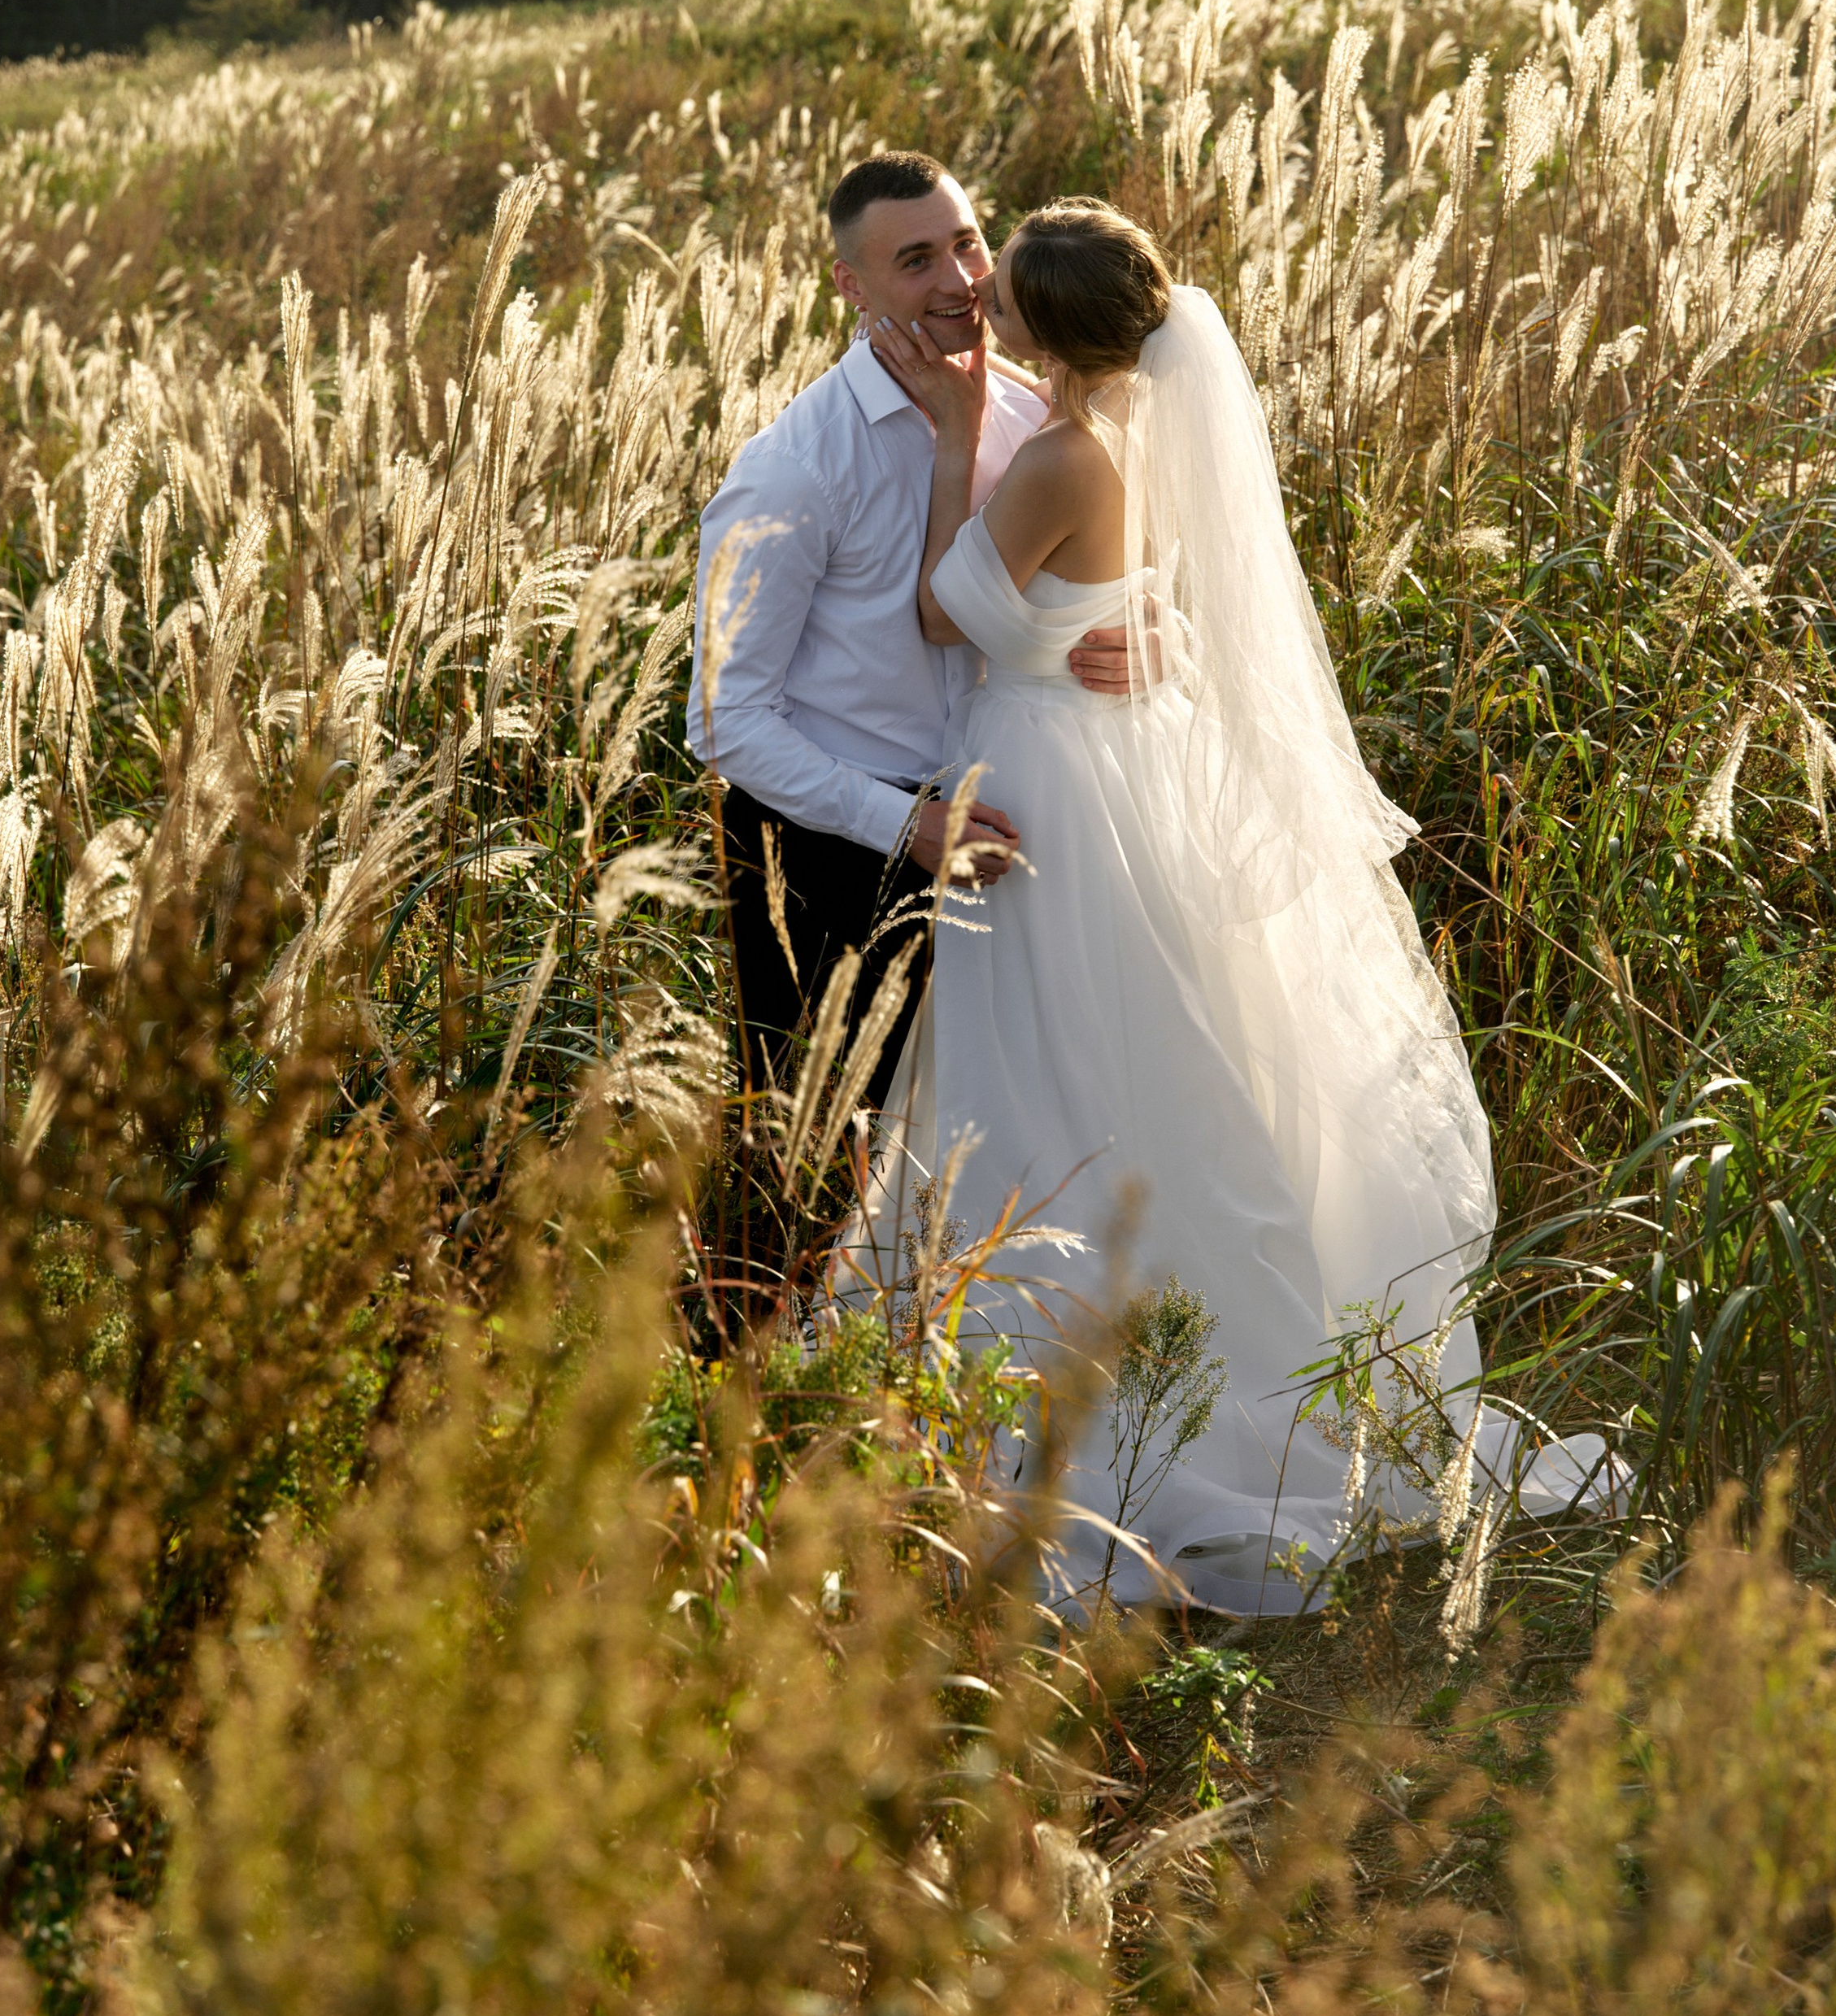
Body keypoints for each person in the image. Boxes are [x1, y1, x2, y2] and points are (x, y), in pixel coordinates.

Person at [853, 199, 1616, 1614]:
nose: (985, 306)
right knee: (1148, 1057)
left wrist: (960, 440)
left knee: (1056, 1068)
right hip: (1121, 768)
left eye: (1005, 289)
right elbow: (1135, 594)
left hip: (1055, 795)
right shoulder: (1135, 430)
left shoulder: (1060, 453)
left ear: (1050, 328)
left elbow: (948, 614)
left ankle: (1102, 1390)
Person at [686, 154, 1131, 1300]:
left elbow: (1111, 567)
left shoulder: (1035, 417)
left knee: (1004, 1158)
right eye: (917, 258)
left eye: (971, 243)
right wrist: (904, 827)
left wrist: (1151, 634)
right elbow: (728, 723)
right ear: (852, 283)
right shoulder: (794, 466)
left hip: (1015, 836)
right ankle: (755, 1421)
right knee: (813, 1169)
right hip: (834, 854)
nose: (961, 279)